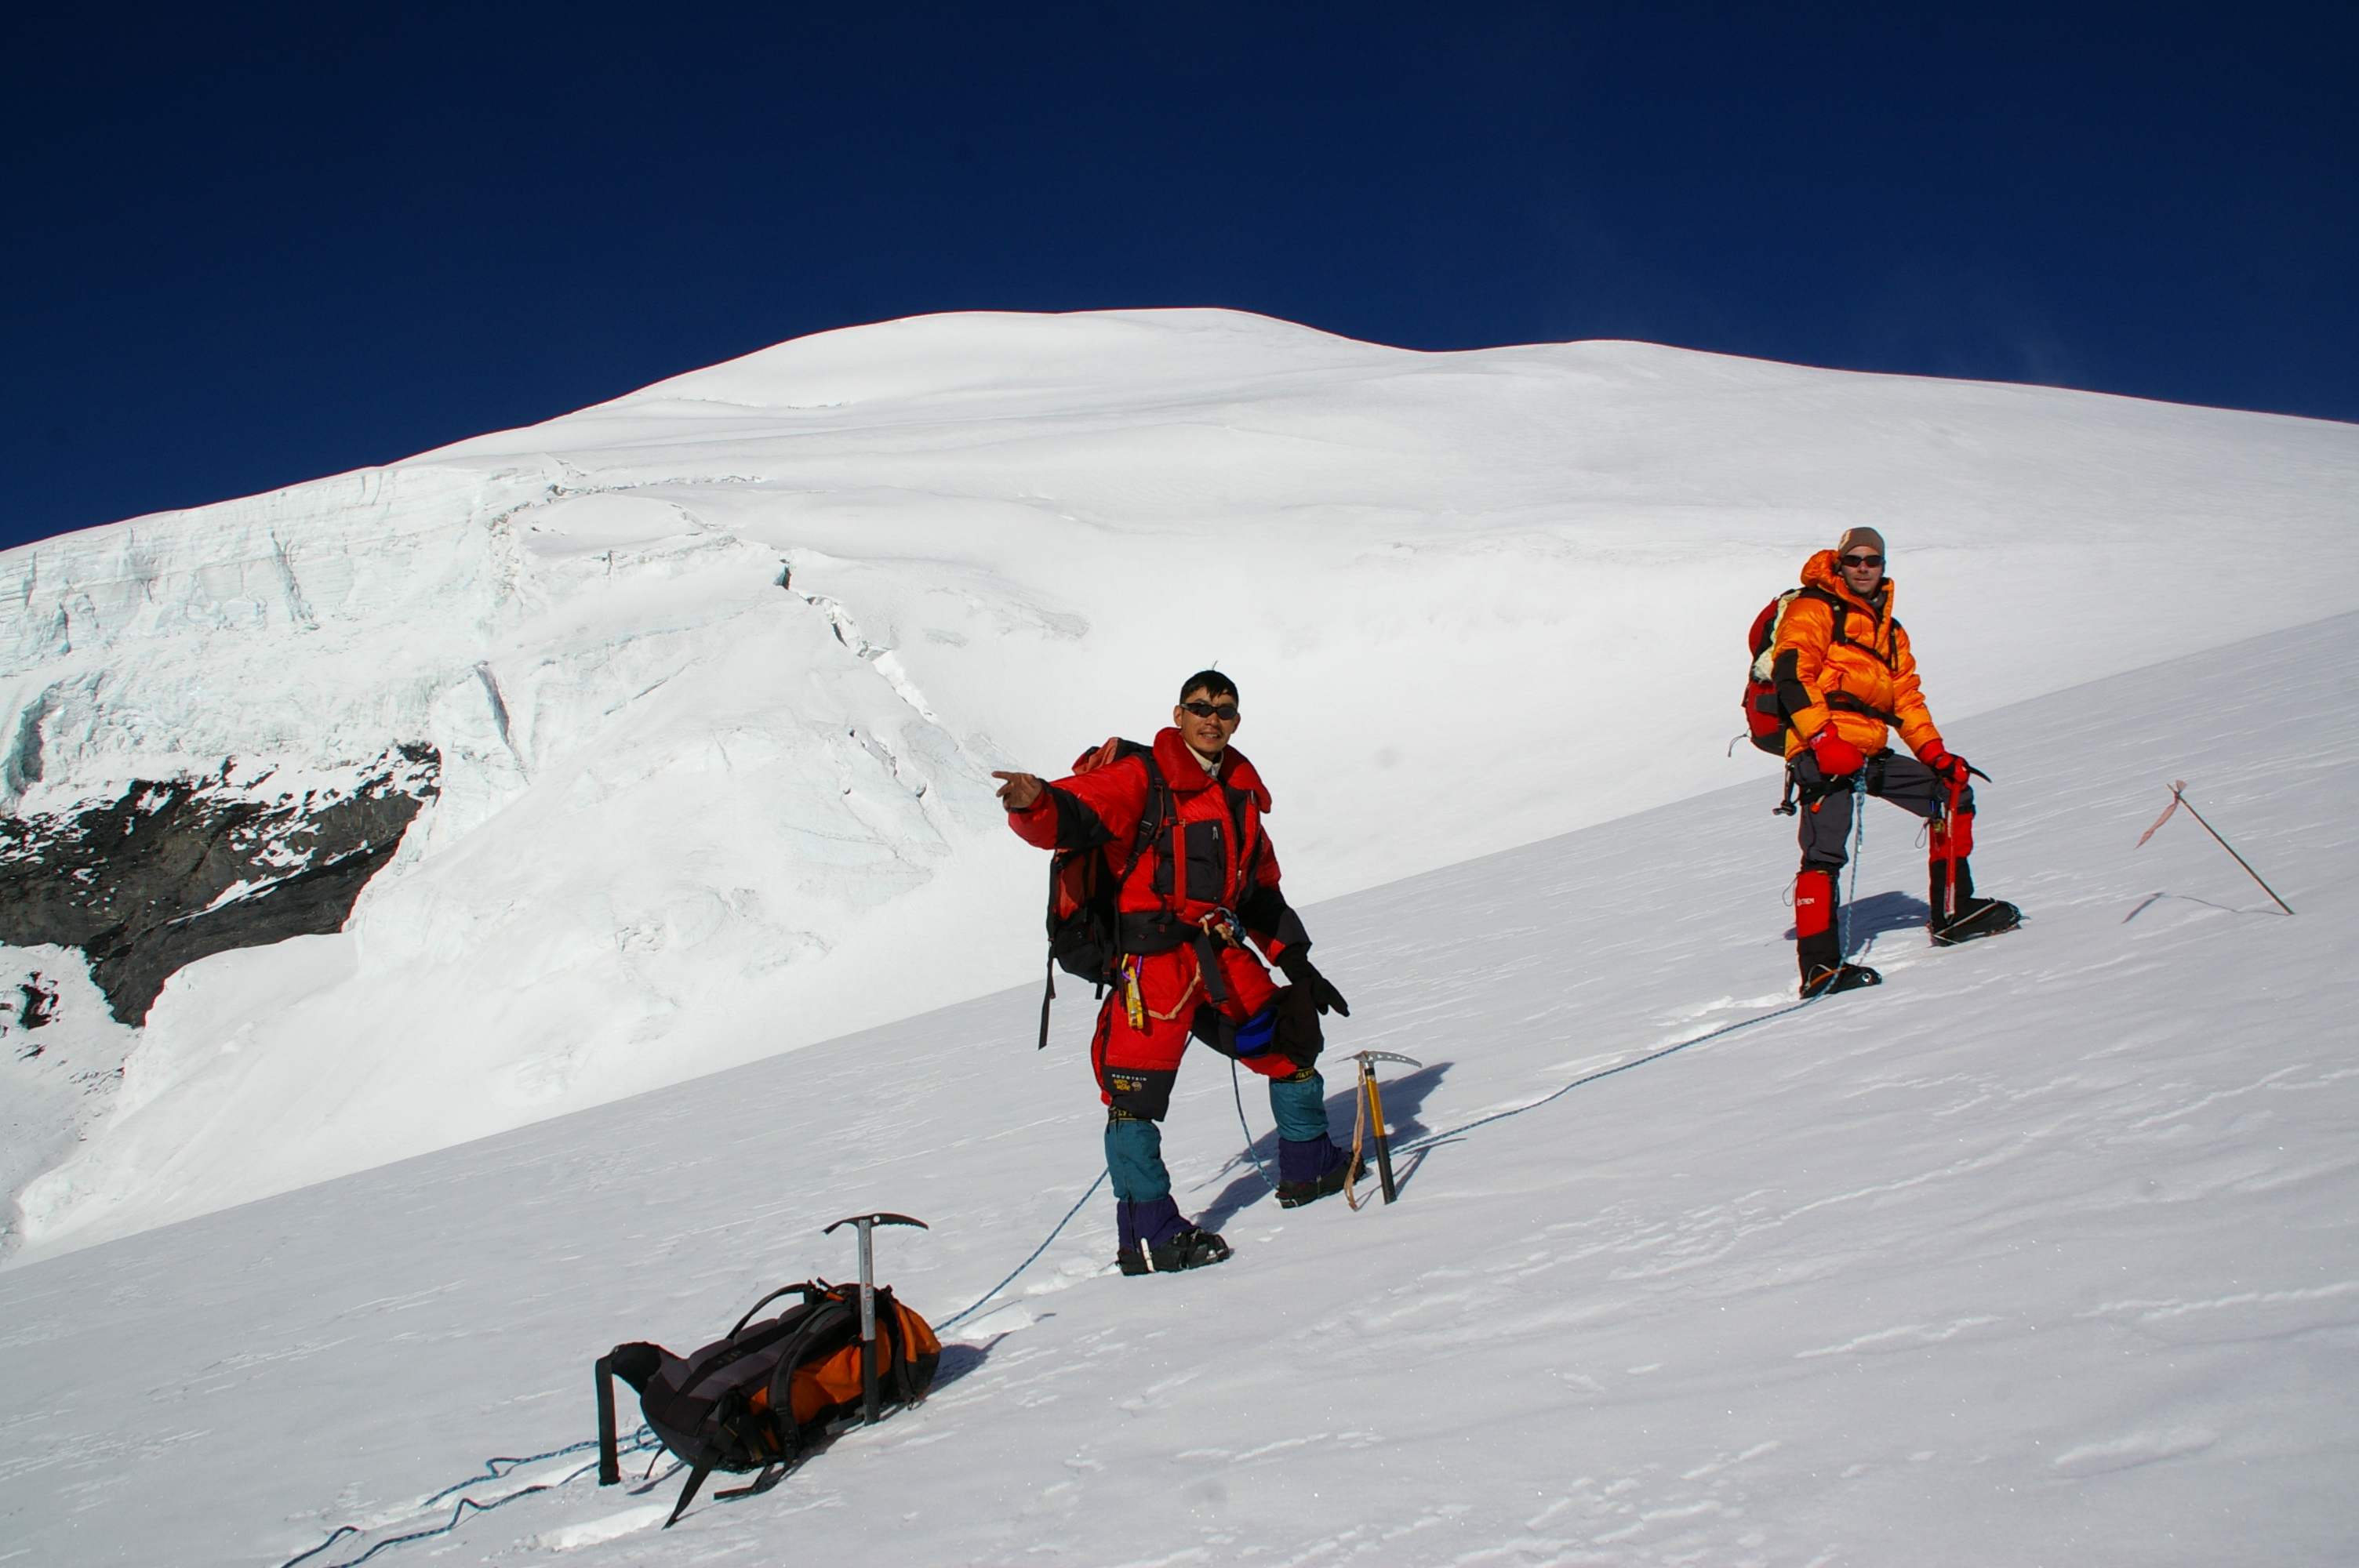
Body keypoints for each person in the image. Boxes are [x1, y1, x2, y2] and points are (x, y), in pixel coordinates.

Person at [993, 671, 1357, 1275]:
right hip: (1152, 972)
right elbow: (1074, 814)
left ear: (1237, 720)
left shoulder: (1240, 793)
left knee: (1290, 1044)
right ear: (1178, 714)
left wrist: (1297, 960)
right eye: (1199, 708)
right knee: (1132, 1099)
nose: (1212, 719)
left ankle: (1310, 1167)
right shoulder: (1141, 778)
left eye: (1225, 710)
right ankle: (1149, 1236)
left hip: (1218, 952)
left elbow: (1260, 891)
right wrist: (1034, 803)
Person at [1772, 528, 2020, 996]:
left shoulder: (1889, 628)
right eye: (1855, 559)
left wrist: (1934, 753)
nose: (1864, 568)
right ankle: (1820, 969)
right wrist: (1823, 739)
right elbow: (1791, 673)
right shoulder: (1813, 608)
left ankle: (1953, 911)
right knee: (1825, 852)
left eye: (1874, 560)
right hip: (1819, 746)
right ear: (1839, 563)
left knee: (1949, 793)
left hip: (1867, 747)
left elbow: (1905, 697)